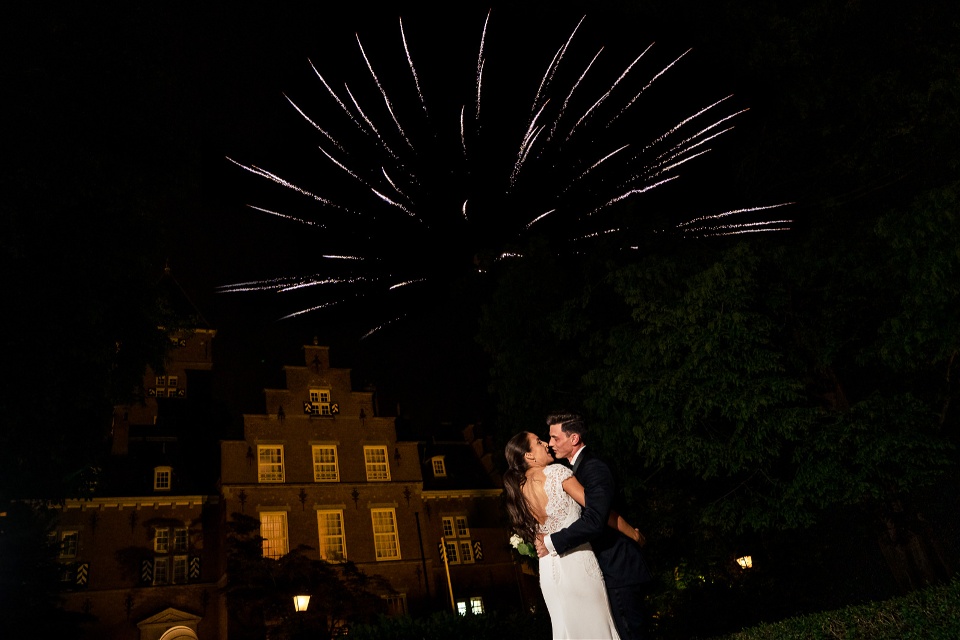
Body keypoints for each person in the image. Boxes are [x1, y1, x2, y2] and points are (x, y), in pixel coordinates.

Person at [503, 431, 642, 639]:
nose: (546, 445)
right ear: (529, 456)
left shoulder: (517, 491)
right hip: (577, 565)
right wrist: (633, 533)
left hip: (549, 572)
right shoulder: (557, 472)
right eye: (539, 442)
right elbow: (598, 510)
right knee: (596, 628)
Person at [538, 412, 653, 640]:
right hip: (605, 570)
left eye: (555, 438)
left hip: (618, 569)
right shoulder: (574, 470)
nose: (550, 443)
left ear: (574, 439)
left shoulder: (593, 467)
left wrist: (551, 542)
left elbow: (595, 520)